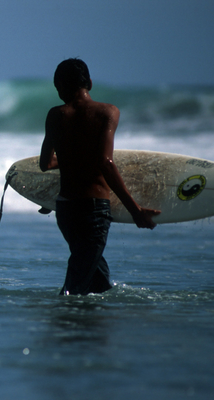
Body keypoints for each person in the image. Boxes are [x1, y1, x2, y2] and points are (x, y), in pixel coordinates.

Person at [39, 58, 161, 295]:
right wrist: (135, 210)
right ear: (90, 83)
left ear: (60, 86)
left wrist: (49, 191)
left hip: (66, 211)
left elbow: (46, 163)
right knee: (77, 283)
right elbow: (105, 163)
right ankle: (61, 321)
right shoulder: (107, 112)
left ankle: (93, 325)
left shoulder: (55, 115)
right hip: (93, 211)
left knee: (96, 278)